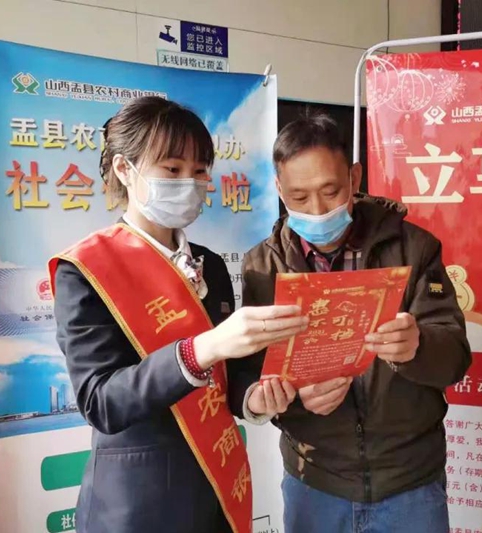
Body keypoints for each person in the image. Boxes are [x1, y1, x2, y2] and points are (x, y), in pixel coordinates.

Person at [51, 97, 304, 533]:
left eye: (200, 170)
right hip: (136, 506)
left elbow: (229, 376)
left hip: (214, 493)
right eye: (172, 169)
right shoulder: (87, 270)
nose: (189, 182)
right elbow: (100, 401)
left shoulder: (211, 265)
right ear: (124, 169)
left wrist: (252, 398)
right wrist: (201, 349)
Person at [229, 113, 472, 532]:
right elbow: (248, 373)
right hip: (315, 481)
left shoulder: (412, 249)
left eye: (331, 191)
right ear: (279, 189)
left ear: (354, 177)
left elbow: (455, 358)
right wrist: (285, 398)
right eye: (299, 197)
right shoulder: (263, 267)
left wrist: (417, 347)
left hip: (409, 480)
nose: (317, 210)